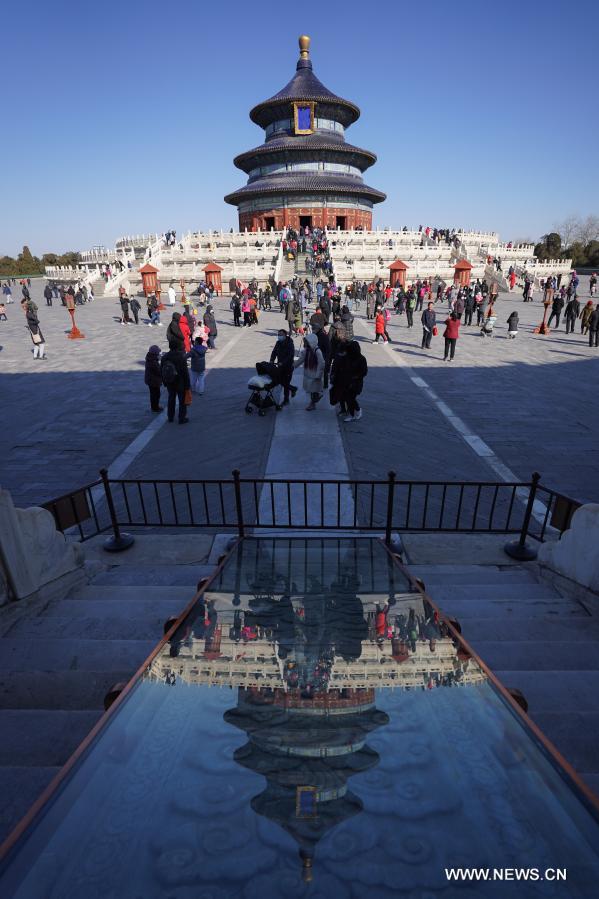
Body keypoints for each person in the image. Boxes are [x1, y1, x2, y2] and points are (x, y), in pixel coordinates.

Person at [161, 341, 190, 423]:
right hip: (180, 382)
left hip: (170, 381)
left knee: (171, 399)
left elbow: (161, 370)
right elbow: (185, 372)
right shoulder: (181, 357)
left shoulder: (165, 357)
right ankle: (181, 418)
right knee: (182, 401)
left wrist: (165, 382)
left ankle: (170, 417)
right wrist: (187, 385)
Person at [294, 333, 325, 411]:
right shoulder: (307, 350)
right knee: (311, 389)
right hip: (308, 373)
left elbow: (321, 363)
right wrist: (294, 365)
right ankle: (317, 397)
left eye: (307, 342)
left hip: (315, 374)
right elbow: (301, 359)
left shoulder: (317, 351)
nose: (305, 343)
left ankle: (312, 404)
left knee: (313, 390)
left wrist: (319, 375)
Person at [341, 340, 368, 422]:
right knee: (348, 397)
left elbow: (364, 372)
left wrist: (355, 376)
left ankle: (353, 413)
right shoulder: (348, 357)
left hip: (356, 383)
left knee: (350, 398)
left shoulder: (362, 359)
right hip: (347, 381)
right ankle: (357, 410)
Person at [270, 329, 297, 405]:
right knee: (280, 381)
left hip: (288, 366)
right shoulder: (278, 343)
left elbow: (290, 355)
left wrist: (282, 362)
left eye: (281, 335)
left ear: (285, 335)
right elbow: (274, 352)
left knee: (286, 382)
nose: (279, 336)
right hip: (280, 366)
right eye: (279, 335)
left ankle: (286, 399)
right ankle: (293, 389)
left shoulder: (290, 343)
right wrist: (272, 360)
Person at [144, 345, 164, 412]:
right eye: (158, 352)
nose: (159, 353)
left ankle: (154, 406)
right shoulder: (153, 362)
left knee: (153, 394)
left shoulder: (150, 358)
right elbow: (158, 371)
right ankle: (155, 407)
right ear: (155, 353)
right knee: (156, 394)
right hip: (153, 380)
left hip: (150, 379)